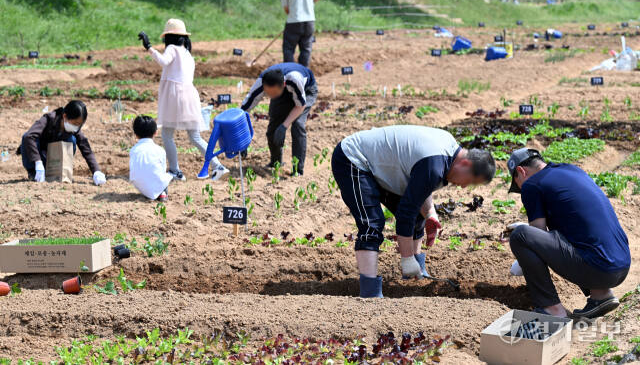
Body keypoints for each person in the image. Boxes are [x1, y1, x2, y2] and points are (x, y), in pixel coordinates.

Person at [331, 125, 496, 298]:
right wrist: (406, 258)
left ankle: (414, 277)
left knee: (418, 215)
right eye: (469, 181)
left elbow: (420, 186)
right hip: (353, 159)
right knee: (371, 223)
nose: (463, 186)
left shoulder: (448, 152)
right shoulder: (435, 163)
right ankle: (370, 291)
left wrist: (430, 214)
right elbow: (405, 213)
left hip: (382, 166)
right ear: (466, 163)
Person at [506, 148, 630, 318]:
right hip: (621, 265)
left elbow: (536, 234)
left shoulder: (531, 184)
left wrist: (521, 260)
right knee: (576, 232)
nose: (521, 188)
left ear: (521, 171)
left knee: (519, 236)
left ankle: (551, 309)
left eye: (517, 183)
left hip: (599, 269)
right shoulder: (572, 170)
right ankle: (601, 295)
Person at [138, 19, 229, 181]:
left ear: (169, 37)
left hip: (175, 97)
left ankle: (175, 171)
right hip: (189, 96)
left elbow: (163, 61)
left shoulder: (172, 49)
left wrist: (149, 47)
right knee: (195, 137)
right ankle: (217, 166)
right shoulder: (187, 54)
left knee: (167, 134)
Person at [241, 62, 317, 175]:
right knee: (273, 125)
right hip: (283, 92)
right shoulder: (261, 83)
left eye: (274, 93)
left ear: (284, 84)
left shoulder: (295, 79)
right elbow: (245, 109)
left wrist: (284, 126)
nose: (271, 96)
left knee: (297, 125)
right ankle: (275, 162)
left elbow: (300, 106)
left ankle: (298, 170)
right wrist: (242, 138)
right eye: (268, 93)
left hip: (306, 90)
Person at [19, 100, 106, 186]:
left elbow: (85, 148)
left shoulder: (74, 128)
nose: (77, 127)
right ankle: (33, 173)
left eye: (80, 124)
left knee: (72, 140)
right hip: (40, 157)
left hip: (55, 161)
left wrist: (96, 171)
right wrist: (38, 162)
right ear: (65, 116)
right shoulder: (49, 119)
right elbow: (29, 136)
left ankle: (60, 172)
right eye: (75, 123)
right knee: (26, 137)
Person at [279, 0, 326, 67]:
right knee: (306, 49)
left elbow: (286, 8)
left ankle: (290, 72)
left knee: (288, 48)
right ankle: (304, 73)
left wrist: (290, 15)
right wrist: (313, 2)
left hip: (294, 22)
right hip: (310, 21)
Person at [129, 116, 172, 202]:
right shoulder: (160, 150)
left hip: (138, 184)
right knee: (168, 175)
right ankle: (162, 193)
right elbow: (162, 170)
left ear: (135, 134)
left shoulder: (133, 150)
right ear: (155, 132)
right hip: (156, 183)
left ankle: (148, 192)